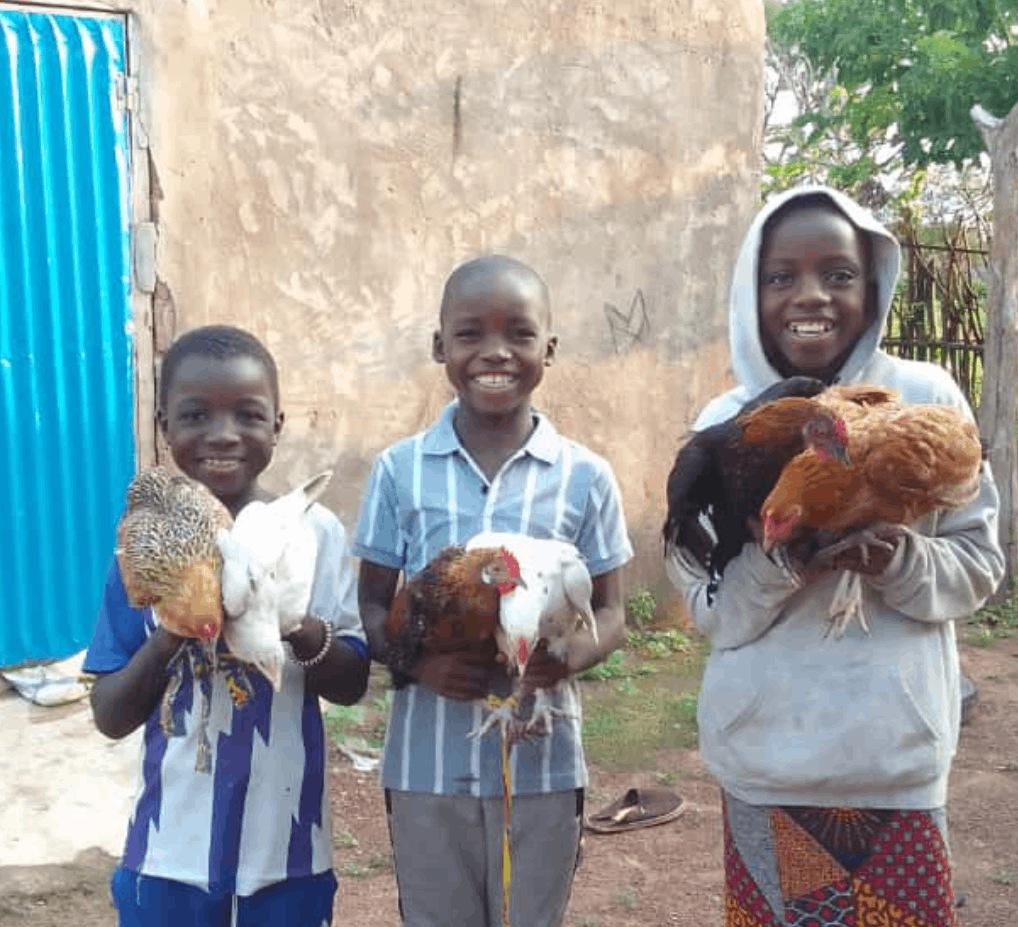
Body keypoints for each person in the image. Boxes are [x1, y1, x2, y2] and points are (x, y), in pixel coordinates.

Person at [666, 187, 1005, 926]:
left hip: (894, 766)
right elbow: (709, 608)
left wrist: (900, 562)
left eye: (838, 274)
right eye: (781, 275)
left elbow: (980, 564)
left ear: (873, 284)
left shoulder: (923, 400)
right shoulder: (726, 428)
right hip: (765, 761)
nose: (809, 294)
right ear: (751, 291)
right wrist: (783, 564)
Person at [355, 254, 633, 927]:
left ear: (549, 348)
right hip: (427, 765)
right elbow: (368, 604)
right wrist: (420, 663)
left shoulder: (585, 476)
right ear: (439, 345)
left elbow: (611, 611)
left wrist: (565, 658)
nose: (495, 352)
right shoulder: (399, 471)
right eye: (471, 333)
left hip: (542, 763)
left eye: (519, 333)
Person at [83, 325, 370, 927]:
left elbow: (351, 683)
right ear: (164, 425)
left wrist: (292, 621)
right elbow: (110, 714)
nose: (222, 435)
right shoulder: (143, 548)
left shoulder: (314, 536)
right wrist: (177, 625)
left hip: (287, 849)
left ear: (278, 424)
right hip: (169, 850)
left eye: (248, 414)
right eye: (195, 415)